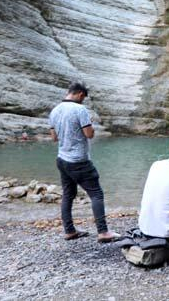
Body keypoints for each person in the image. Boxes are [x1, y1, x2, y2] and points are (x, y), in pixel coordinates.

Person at [49, 81, 118, 243]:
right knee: (96, 194)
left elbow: (54, 138)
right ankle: (103, 232)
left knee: (68, 195)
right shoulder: (80, 110)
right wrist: (90, 124)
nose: (83, 101)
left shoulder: (55, 110)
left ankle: (69, 230)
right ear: (80, 94)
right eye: (83, 98)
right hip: (79, 160)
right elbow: (89, 134)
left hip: (62, 159)